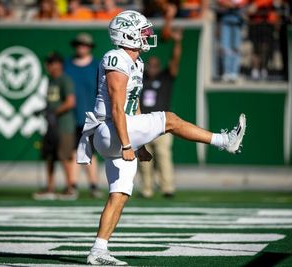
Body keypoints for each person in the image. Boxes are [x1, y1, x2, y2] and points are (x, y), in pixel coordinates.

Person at [76, 10, 246, 265]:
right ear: (128, 35)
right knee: (170, 119)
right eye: (142, 31)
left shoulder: (137, 62)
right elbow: (116, 109)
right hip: (109, 130)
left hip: (121, 130)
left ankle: (98, 250)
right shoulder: (116, 58)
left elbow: (134, 110)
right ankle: (224, 141)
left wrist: (139, 143)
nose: (147, 35)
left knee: (119, 194)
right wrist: (125, 143)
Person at [138, 29, 183, 199]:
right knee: (144, 160)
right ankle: (147, 189)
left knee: (164, 157)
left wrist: (177, 43)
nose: (153, 68)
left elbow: (175, 61)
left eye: (156, 65)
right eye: (150, 64)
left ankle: (167, 187)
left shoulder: (165, 78)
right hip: (143, 124)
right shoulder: (140, 78)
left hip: (162, 124)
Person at [33, 52, 77, 200]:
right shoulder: (51, 81)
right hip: (51, 125)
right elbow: (52, 101)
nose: (49, 66)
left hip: (64, 125)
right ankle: (50, 188)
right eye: (48, 62)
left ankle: (70, 187)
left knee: (64, 156)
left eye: (52, 63)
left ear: (59, 64)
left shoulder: (64, 80)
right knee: (49, 156)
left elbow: (70, 102)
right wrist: (44, 111)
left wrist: (54, 112)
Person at [64, 33, 102, 199]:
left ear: (90, 47)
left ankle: (93, 186)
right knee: (72, 152)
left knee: (90, 153)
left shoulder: (97, 66)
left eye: (85, 45)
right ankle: (72, 185)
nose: (81, 47)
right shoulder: (67, 66)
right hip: (70, 116)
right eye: (79, 44)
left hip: (92, 116)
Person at [218, 0, 248, 83]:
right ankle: (227, 72)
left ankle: (234, 72)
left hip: (238, 20)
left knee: (236, 47)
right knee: (225, 48)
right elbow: (221, 2)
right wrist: (229, 4)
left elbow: (244, 2)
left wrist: (236, 5)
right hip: (226, 20)